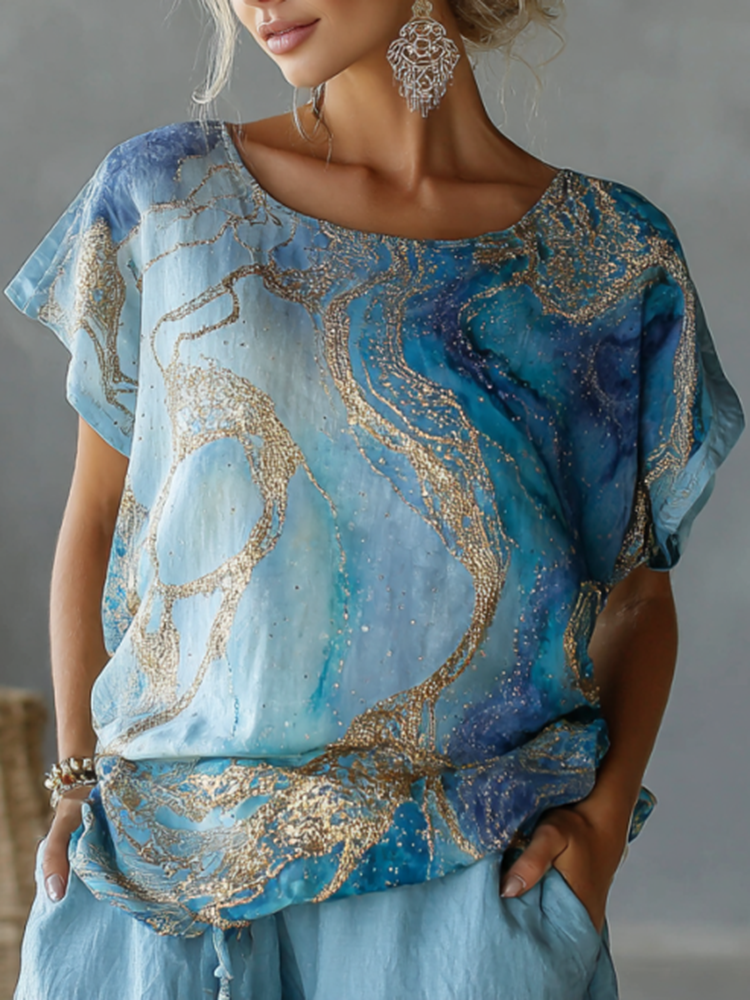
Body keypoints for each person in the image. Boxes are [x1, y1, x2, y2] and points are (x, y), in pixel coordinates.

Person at [5, 1, 744, 998]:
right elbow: (97, 518)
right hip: (155, 890)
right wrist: (74, 780)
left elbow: (639, 598)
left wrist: (600, 833)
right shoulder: (165, 196)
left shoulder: (609, 259)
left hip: (468, 907)